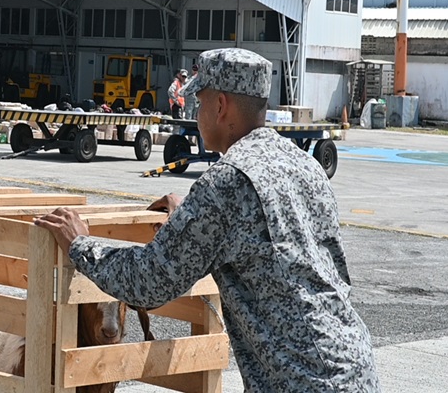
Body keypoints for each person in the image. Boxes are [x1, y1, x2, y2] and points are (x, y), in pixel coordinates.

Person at [34, 48, 380, 392]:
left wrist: (81, 244)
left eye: (200, 103)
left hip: (301, 382)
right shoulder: (304, 166)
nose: (197, 114)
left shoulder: (227, 181)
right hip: (353, 366)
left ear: (220, 106)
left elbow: (150, 281)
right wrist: (191, 214)